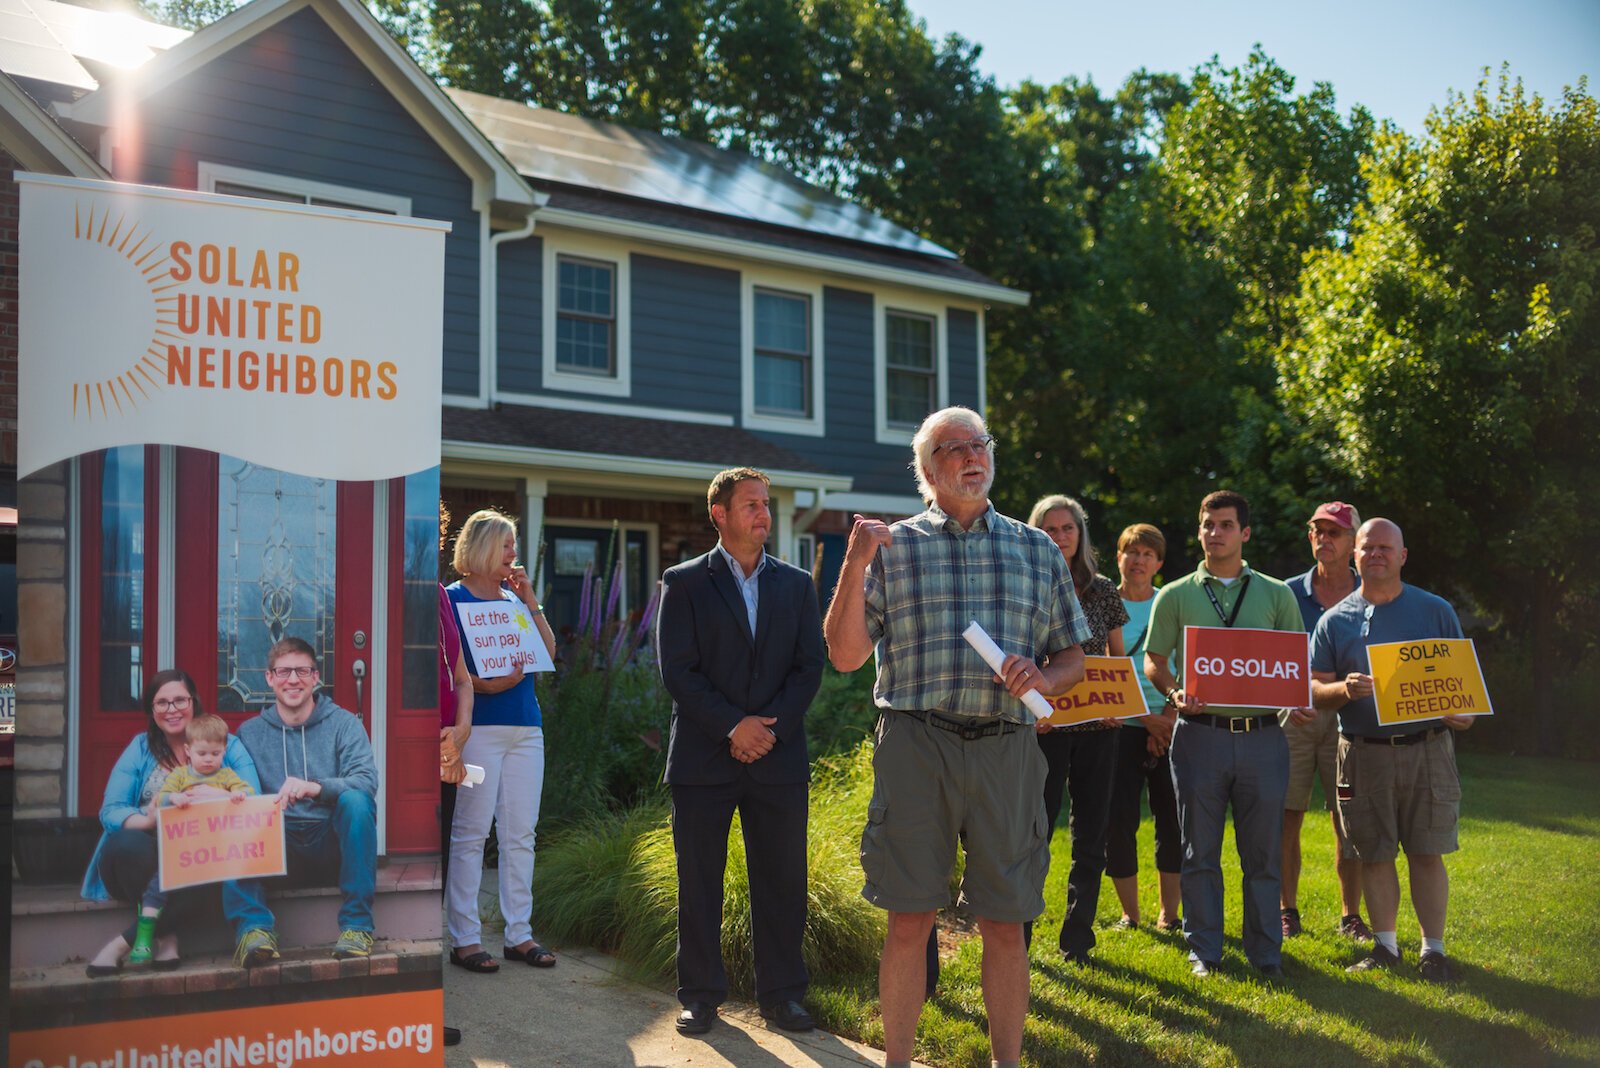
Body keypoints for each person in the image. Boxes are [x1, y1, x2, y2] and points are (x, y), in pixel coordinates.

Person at [824, 406, 1089, 1068]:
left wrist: (1043, 674)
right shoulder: (894, 546)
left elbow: (1073, 659)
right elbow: (846, 655)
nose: (973, 455)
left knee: (1006, 922)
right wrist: (855, 563)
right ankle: (898, 1063)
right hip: (917, 744)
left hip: (1007, 748)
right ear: (927, 470)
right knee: (910, 919)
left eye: (981, 444)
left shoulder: (1036, 549)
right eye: (954, 448)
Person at [656, 467, 825, 1036]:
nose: (763, 514)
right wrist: (734, 726)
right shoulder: (683, 582)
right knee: (699, 882)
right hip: (704, 759)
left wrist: (767, 731)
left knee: (781, 880)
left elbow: (808, 669)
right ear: (719, 514)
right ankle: (701, 997)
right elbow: (678, 671)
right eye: (750, 504)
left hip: (777, 758)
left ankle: (783, 996)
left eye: (766, 504)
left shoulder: (797, 584)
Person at [1144, 490, 1307, 979]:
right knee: (1200, 850)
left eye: (1225, 525)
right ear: (1199, 531)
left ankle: (1265, 953)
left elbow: (1292, 665)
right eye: (1207, 524)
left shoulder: (1277, 594)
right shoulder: (1175, 594)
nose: (1215, 533)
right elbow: (1155, 660)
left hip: (1262, 738)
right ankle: (1205, 951)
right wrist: (1174, 694)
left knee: (1262, 853)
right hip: (1199, 736)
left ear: (1245, 533)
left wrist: (1296, 696)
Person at [1310, 518, 1473, 983]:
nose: (1376, 554)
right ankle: (1385, 946)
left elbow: (1460, 682)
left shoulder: (1435, 610)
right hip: (1363, 752)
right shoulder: (1333, 620)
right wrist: (1342, 688)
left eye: (1385, 548)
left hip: (1427, 748)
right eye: (1367, 547)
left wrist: (1465, 713)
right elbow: (1313, 688)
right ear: (1353, 556)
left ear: (1402, 556)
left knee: (1427, 850)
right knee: (1374, 853)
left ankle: (1433, 951)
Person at [82, 670, 261, 977]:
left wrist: (216, 795)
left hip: (205, 850)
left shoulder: (226, 744)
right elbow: (110, 811)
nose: (172, 709)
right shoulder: (140, 747)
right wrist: (150, 817)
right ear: (151, 710)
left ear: (194, 702)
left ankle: (124, 943)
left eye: (180, 700)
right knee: (125, 843)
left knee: (207, 867)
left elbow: (253, 797)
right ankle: (168, 935)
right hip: (145, 853)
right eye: (161, 702)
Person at [444, 509, 558, 974]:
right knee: (471, 834)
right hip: (480, 730)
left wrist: (531, 600)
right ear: (483, 547)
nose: (515, 553)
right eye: (507, 544)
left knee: (521, 835)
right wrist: (481, 686)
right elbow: (448, 665)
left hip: (526, 728)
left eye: (514, 545)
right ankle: (465, 938)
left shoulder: (515, 603)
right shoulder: (450, 600)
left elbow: (548, 654)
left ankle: (519, 934)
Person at [226, 637, 380, 967]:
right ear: (269, 678)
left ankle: (356, 927)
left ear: (315, 677)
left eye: (302, 671)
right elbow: (231, 786)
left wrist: (314, 787)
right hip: (276, 848)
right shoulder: (249, 733)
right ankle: (254, 929)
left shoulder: (344, 724)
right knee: (234, 813)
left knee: (357, 801)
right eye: (283, 671)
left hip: (330, 845)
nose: (292, 680)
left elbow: (366, 781)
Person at [1028, 495, 1127, 965]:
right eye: (1049, 529)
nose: (1060, 537)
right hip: (1045, 728)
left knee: (1091, 836)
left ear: (1080, 534)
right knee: (1035, 833)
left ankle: (1078, 940)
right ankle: (1018, 938)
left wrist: (1119, 705)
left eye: (1067, 528)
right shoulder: (1027, 583)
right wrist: (1032, 709)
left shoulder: (1103, 589)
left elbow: (1115, 656)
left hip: (1098, 728)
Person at [1280, 501, 1370, 942]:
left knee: (1346, 818)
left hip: (1350, 721)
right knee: (1286, 814)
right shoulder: (1286, 593)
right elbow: (1268, 658)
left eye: (1335, 532)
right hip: (1294, 717)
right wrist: (1284, 698)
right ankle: (1286, 911)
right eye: (1318, 530)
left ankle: (1351, 915)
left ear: (1354, 542)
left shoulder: (1371, 593)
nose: (1324, 539)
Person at [1104, 523, 1182, 933]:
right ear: (1118, 557)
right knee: (1119, 820)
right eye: (1131, 551)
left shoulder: (1169, 604)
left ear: (1159, 563)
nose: (1139, 560)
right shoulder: (1103, 603)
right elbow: (1102, 668)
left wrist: (1166, 719)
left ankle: (1171, 913)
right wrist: (1144, 719)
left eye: (1148, 554)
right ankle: (1129, 914)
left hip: (1170, 724)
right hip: (1121, 726)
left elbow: (1185, 664)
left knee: (1173, 820)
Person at [128, 714, 253, 964]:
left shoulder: (226, 776)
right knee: (159, 884)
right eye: (202, 753)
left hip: (213, 850)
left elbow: (248, 792)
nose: (208, 759)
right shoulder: (181, 776)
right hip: (181, 848)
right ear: (188, 750)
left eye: (215, 754)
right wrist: (174, 798)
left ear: (224, 751)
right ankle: (143, 936)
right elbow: (162, 799)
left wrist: (235, 794)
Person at [438, 581, 474, 1049]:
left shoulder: (440, 597)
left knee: (437, 873)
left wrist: (462, 730)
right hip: (393, 752)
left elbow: (462, 678)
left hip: (446, 753)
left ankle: (425, 1005)